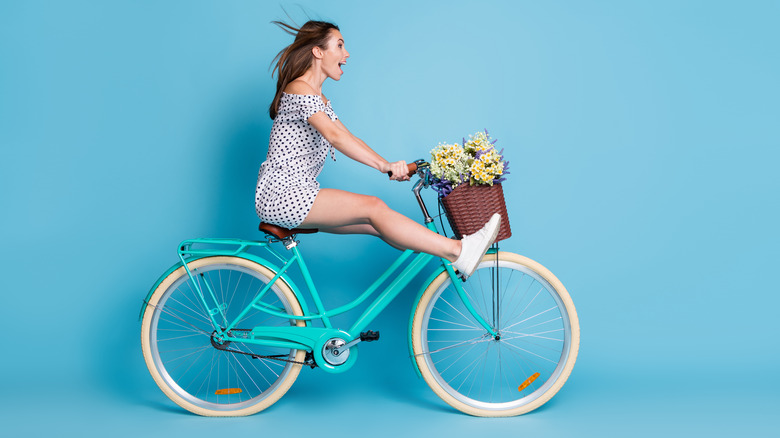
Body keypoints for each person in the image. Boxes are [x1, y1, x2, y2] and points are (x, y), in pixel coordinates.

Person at [255, 20, 499, 279]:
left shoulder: (318, 98)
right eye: (339, 45)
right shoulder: (299, 88)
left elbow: (350, 137)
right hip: (282, 195)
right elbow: (336, 137)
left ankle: (445, 251)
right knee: (373, 207)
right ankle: (459, 251)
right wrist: (384, 166)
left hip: (297, 192)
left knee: (378, 223)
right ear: (318, 51)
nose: (346, 54)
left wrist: (389, 164)